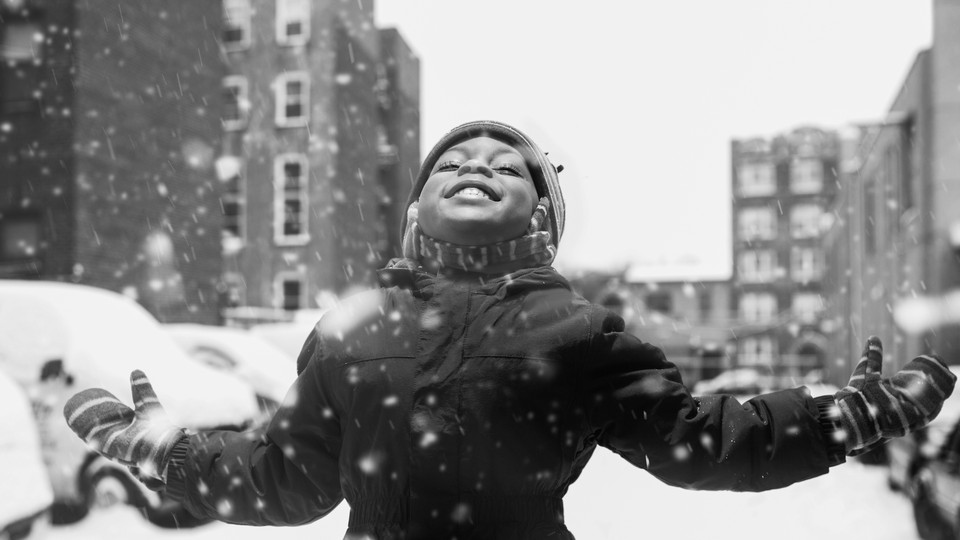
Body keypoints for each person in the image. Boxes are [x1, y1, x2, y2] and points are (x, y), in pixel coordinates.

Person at [64, 120, 957, 540]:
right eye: (452, 162)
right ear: (417, 211)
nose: (475, 167)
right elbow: (287, 481)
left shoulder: (577, 331)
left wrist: (842, 416)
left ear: (541, 214)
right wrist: (164, 450)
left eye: (505, 166)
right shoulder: (349, 330)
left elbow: (701, 441)